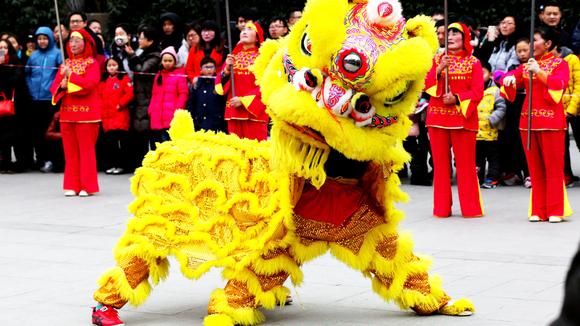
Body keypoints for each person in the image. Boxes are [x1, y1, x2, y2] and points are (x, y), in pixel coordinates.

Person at [501, 27, 570, 222]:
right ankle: (538, 209)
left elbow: (559, 86)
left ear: (548, 44)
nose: (531, 45)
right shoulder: (526, 66)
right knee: (535, 168)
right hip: (528, 122)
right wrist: (508, 81)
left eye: (536, 40)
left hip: (551, 122)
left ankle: (555, 210)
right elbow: (513, 81)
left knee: (554, 168)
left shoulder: (560, 64)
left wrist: (539, 72)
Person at [424, 22, 484, 218]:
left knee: (466, 165)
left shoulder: (474, 62)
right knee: (440, 166)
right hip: (437, 118)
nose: (449, 36)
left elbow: (477, 92)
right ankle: (441, 208)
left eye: (455, 33)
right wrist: (440, 69)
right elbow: (425, 84)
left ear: (464, 38)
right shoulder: (436, 59)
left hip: (463, 119)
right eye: (447, 33)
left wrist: (457, 98)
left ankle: (471, 208)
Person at [50, 28, 102, 197]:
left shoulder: (92, 63)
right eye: (71, 40)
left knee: (86, 151)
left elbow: (89, 85)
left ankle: (88, 186)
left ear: (86, 44)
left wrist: (71, 76)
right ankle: (72, 184)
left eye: (77, 40)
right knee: (70, 152)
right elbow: (54, 88)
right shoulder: (65, 64)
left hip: (87, 115)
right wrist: (62, 85)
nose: (73, 43)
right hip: (67, 114)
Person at [217, 22, 268, 141]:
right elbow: (221, 81)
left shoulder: (263, 57)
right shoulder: (233, 56)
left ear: (257, 37)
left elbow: (266, 84)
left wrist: (243, 101)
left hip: (254, 111)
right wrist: (226, 70)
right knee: (235, 150)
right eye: (243, 29)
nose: (244, 31)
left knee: (255, 151)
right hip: (233, 109)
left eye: (250, 29)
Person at [25, 26, 63, 172]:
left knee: (50, 131)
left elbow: (61, 73)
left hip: (50, 99)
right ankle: (41, 159)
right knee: (37, 131)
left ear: (50, 39)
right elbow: (27, 73)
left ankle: (53, 160)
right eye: (39, 39)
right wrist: (31, 87)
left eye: (44, 38)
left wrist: (54, 88)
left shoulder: (57, 54)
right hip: (35, 99)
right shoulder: (33, 55)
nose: (42, 41)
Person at [126, 25, 160, 171]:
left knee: (148, 132)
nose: (139, 40)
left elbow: (142, 70)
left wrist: (132, 56)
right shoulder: (143, 53)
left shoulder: (155, 56)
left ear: (150, 40)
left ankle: (150, 165)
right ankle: (139, 164)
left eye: (141, 38)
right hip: (140, 98)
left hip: (148, 97)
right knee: (139, 131)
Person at [499, 38, 531, 187]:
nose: (522, 54)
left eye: (525, 50)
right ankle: (515, 172)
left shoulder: (535, 67)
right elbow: (504, 79)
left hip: (530, 105)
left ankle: (529, 173)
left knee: (528, 141)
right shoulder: (514, 67)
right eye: (519, 51)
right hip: (514, 106)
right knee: (514, 139)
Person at [148, 47, 188, 148]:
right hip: (157, 115)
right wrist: (151, 110)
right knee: (158, 146)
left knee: (170, 145)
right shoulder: (158, 75)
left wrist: (177, 110)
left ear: (175, 61)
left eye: (170, 60)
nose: (167, 63)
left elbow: (183, 94)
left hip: (171, 116)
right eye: (165, 60)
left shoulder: (179, 75)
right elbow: (154, 94)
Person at [99, 57, 134, 175]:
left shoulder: (124, 79)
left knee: (122, 143)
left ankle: (122, 165)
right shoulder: (103, 82)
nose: (112, 68)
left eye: (114, 65)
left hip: (120, 115)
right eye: (109, 65)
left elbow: (129, 94)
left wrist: (120, 104)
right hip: (107, 117)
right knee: (110, 143)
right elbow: (99, 97)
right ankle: (112, 164)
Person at [476, 63, 506, 189]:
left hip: (490, 132)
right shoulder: (472, 90)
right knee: (477, 158)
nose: (479, 76)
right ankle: (478, 178)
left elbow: (501, 107)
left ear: (491, 75)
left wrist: (492, 119)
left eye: (483, 73)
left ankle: (493, 178)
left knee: (493, 157)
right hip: (475, 132)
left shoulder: (495, 91)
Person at [189, 57, 226, 133]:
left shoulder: (220, 83)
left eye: (211, 67)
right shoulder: (197, 84)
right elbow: (191, 103)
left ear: (215, 69)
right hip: (199, 123)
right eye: (206, 67)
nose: (209, 70)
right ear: (201, 69)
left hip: (216, 123)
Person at [560, 45, 580, 187]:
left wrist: (571, 109)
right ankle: (566, 174)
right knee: (561, 145)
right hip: (557, 110)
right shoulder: (543, 62)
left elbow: (578, 85)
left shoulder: (572, 59)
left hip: (576, 108)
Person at [0, 39, 20, 173]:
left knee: (10, 135)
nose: (2, 50)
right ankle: (3, 161)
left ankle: (13, 162)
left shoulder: (14, 62)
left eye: (5, 47)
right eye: (0, 47)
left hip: (11, 103)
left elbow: (16, 80)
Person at [185, 20, 226, 84]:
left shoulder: (223, 49)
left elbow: (225, 69)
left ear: (216, 32)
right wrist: (193, 79)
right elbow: (189, 69)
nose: (206, 33)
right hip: (198, 85)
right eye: (204, 31)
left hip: (217, 84)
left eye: (209, 30)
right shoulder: (194, 49)